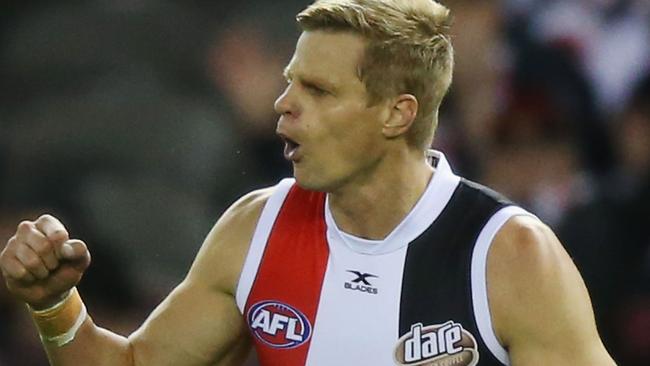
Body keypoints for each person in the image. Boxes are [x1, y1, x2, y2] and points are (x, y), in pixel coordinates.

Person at [0, 0, 616, 365]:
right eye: (290, 80)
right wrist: (54, 304)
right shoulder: (255, 229)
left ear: (397, 113)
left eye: (317, 90)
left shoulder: (507, 255)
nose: (281, 105)